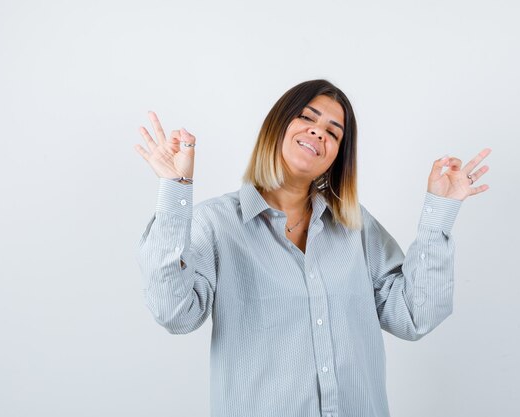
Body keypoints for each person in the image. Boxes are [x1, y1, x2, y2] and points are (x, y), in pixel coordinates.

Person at [134, 79, 491, 417]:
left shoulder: (354, 226)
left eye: (334, 132)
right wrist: (175, 189)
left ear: (337, 155)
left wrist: (438, 214)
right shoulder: (215, 224)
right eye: (306, 117)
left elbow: (416, 315)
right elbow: (175, 314)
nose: (319, 131)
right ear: (277, 126)